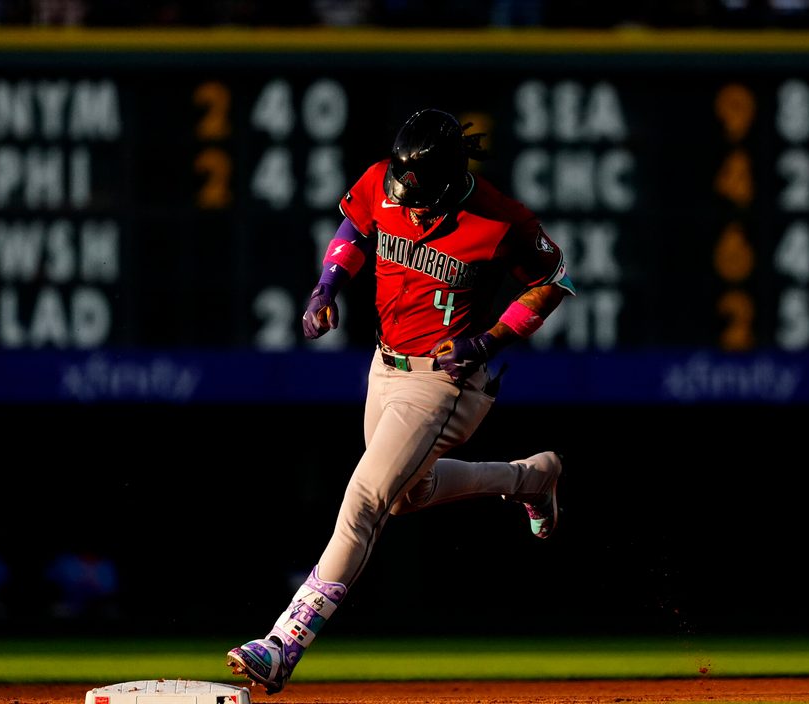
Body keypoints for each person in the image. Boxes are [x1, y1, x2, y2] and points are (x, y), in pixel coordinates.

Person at [227, 108, 576, 694]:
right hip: (384, 366)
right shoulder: (379, 181)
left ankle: (284, 642)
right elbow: (356, 229)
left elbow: (553, 279)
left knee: (365, 498)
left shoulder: (498, 217)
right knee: (405, 496)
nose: (408, 205)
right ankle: (531, 477)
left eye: (421, 195)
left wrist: (490, 340)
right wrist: (326, 286)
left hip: (447, 380)